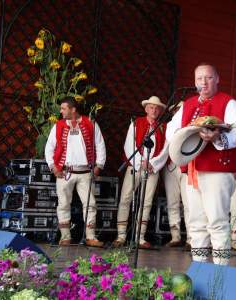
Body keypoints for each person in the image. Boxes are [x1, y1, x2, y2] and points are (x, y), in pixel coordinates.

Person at [166, 63, 236, 265]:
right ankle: (199, 268)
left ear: (217, 79)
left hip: (218, 170)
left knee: (217, 221)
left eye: (208, 78)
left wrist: (217, 138)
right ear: (194, 82)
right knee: (196, 222)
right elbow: (171, 130)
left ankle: (221, 272)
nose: (204, 82)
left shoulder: (229, 103)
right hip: (193, 170)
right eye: (200, 79)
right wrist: (183, 138)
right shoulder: (188, 104)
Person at [45, 97, 106, 247]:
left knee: (90, 204)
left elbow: (100, 144)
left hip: (86, 171)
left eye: (63, 108)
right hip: (65, 172)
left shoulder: (90, 123)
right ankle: (65, 236)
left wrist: (99, 166)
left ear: (73, 109)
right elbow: (49, 148)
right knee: (63, 204)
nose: (61, 111)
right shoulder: (58, 126)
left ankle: (91, 236)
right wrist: (53, 167)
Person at [114, 96, 168, 249]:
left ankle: (140, 236)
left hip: (152, 169)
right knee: (125, 198)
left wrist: (152, 164)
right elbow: (129, 144)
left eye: (157, 108)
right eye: (151, 107)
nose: (154, 110)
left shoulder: (163, 127)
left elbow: (166, 150)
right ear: (146, 109)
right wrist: (141, 162)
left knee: (146, 202)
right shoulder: (136, 123)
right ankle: (121, 235)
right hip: (135, 166)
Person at [162, 101, 191, 248]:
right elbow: (164, 148)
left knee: (188, 203)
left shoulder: (190, 127)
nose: (177, 112)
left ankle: (191, 239)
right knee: (172, 202)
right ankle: (175, 236)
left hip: (187, 166)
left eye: (179, 110)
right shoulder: (170, 127)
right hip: (171, 166)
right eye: (175, 110)